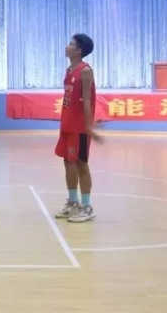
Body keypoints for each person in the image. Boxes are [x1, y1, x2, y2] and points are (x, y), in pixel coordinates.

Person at [54, 34, 103, 223]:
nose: (67, 46)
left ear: (78, 50)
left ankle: (87, 206)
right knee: (68, 162)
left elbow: (87, 102)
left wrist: (89, 127)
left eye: (71, 44)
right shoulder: (70, 70)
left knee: (81, 163)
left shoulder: (85, 71)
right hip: (67, 124)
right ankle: (73, 202)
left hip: (79, 127)